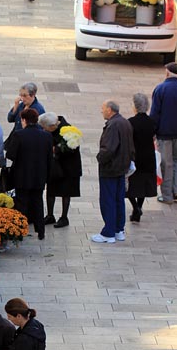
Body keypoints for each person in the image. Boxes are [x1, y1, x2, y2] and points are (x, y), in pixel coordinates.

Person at [91, 100, 135, 244]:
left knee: (108, 200)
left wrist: (100, 158)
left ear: (110, 110)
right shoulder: (125, 122)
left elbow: (108, 149)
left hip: (110, 168)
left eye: (103, 108)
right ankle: (118, 229)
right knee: (118, 199)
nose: (101, 110)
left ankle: (108, 232)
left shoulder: (113, 125)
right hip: (121, 167)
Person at [7, 108, 53, 241]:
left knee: (21, 203)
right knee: (38, 202)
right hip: (39, 176)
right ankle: (41, 231)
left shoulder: (19, 135)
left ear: (24, 120)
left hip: (22, 176)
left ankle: (20, 231)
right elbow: (50, 158)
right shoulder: (46, 136)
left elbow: (11, 155)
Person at [150, 62, 177, 205]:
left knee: (166, 164)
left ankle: (167, 196)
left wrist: (152, 132)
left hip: (164, 134)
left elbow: (155, 114)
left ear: (167, 73)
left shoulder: (160, 89)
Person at [38, 111, 83, 229]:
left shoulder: (69, 131)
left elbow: (72, 147)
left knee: (66, 192)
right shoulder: (52, 128)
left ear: (52, 126)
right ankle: (50, 215)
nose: (44, 130)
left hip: (68, 167)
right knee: (51, 190)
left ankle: (64, 217)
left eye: (45, 128)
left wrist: (56, 149)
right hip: (54, 166)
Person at [127, 93, 157, 223]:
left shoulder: (130, 122)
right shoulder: (152, 122)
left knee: (131, 185)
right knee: (144, 185)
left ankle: (135, 207)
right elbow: (154, 137)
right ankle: (139, 206)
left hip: (135, 156)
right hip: (148, 156)